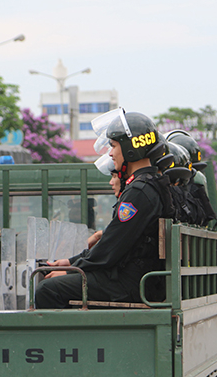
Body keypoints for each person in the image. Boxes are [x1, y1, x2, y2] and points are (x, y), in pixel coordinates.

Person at [35, 111, 174, 308]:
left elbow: (111, 247)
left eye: (114, 146)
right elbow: (112, 240)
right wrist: (70, 262)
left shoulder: (139, 191)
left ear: (130, 148)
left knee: (47, 289)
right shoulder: (147, 186)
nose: (110, 153)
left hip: (130, 283)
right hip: (138, 279)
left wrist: (72, 269)